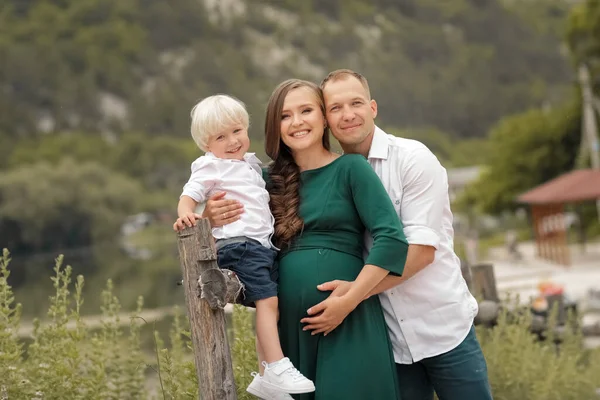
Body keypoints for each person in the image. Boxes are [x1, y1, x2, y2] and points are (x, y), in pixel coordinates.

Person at [302, 69, 493, 400]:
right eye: (335, 108)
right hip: (387, 340)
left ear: (373, 108)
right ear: (325, 120)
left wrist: (351, 297)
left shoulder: (413, 159)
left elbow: (421, 252)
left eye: (356, 103)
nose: (348, 115)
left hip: (443, 329)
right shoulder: (330, 176)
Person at [265, 78, 409, 400]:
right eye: (285, 116)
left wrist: (349, 300)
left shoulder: (351, 168)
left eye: (306, 111)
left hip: (350, 321)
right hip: (291, 329)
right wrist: (212, 215)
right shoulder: (264, 180)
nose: (297, 122)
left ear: (323, 118)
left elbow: (391, 238)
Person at [172, 94, 314, 399]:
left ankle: (265, 377)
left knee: (270, 308)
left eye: (237, 131)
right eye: (221, 137)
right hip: (240, 246)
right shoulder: (210, 166)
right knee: (268, 303)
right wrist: (188, 214)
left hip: (260, 247)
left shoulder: (249, 164)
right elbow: (190, 194)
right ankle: (276, 365)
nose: (232, 141)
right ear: (206, 145)